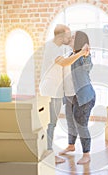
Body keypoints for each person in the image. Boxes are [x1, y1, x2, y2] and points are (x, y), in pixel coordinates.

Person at [39, 25, 86, 164]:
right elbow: (65, 63)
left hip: (54, 91)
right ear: (60, 36)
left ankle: (48, 152)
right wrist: (81, 53)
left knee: (50, 123)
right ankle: (49, 154)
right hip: (51, 91)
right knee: (50, 124)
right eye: (68, 35)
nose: (70, 37)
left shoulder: (56, 48)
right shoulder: (52, 48)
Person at [56, 31, 95, 164]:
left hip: (83, 97)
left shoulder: (82, 57)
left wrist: (86, 54)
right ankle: (71, 145)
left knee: (81, 124)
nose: (70, 39)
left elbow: (88, 66)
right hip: (69, 96)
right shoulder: (69, 55)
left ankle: (86, 153)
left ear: (79, 41)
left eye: (73, 38)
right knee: (70, 122)